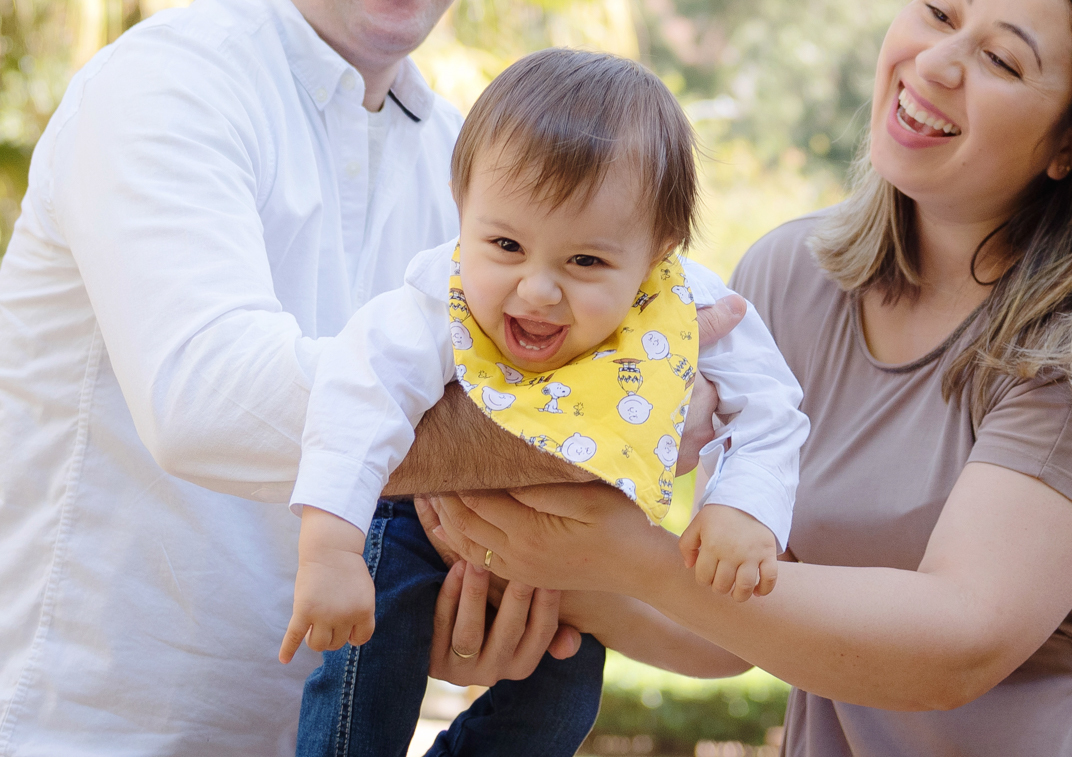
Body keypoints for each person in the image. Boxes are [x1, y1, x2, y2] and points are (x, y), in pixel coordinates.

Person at [423, 0, 1072, 754]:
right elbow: (740, 621)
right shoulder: (792, 278)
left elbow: (963, 638)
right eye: (936, 11)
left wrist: (628, 556)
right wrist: (523, 581)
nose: (935, 63)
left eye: (1002, 59)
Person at [278, 49, 808, 757]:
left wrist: (743, 508)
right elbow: (359, 392)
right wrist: (330, 549)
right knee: (372, 661)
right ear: (462, 210)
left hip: (570, 560)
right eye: (506, 244)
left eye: (585, 261)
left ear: (658, 251)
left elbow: (769, 405)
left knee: (561, 700)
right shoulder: (442, 295)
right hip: (417, 523)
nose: (537, 289)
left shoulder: (687, 308)